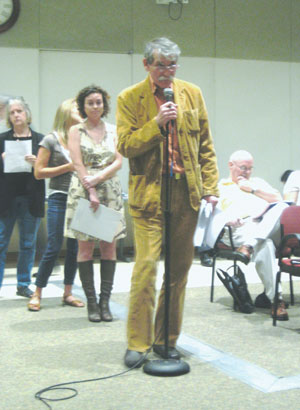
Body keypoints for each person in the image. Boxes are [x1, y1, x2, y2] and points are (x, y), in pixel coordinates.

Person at [116, 37, 219, 368]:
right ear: (146, 65)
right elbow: (126, 145)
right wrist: (156, 124)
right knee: (145, 269)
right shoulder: (130, 98)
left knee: (178, 272)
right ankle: (138, 341)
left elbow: (205, 144)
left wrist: (211, 187)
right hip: (149, 197)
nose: (167, 72)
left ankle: (166, 340)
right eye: (160, 65)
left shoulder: (192, 93)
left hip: (185, 194)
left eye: (172, 65)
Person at [64, 85, 126, 323]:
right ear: (83, 105)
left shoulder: (114, 130)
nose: (95, 106)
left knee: (109, 247)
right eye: (90, 102)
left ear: (104, 105)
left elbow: (118, 161)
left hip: (109, 188)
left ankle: (105, 302)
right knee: (86, 248)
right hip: (84, 189)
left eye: (98, 102)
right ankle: (91, 302)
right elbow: (77, 163)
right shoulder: (75, 131)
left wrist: (100, 179)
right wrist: (91, 190)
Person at [216, 150, 289, 320]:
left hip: (264, 225)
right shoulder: (221, 186)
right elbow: (213, 215)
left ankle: (249, 246)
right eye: (243, 168)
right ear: (230, 165)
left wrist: (253, 189)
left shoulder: (256, 183)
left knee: (282, 207)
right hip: (239, 229)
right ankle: (277, 301)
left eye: (250, 168)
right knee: (265, 245)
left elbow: (278, 198)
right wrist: (228, 220)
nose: (247, 172)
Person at [27, 98, 84, 311]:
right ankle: (37, 292)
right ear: (66, 112)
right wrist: (69, 166)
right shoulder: (51, 140)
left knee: (74, 248)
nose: (82, 111)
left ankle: (68, 293)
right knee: (53, 245)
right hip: (59, 197)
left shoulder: (81, 138)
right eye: (78, 108)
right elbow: (39, 172)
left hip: (79, 199)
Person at [0, 97, 45, 297]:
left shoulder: (40, 140)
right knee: (1, 242)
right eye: (12, 112)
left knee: (28, 243)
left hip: (31, 197)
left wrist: (38, 164)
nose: (16, 115)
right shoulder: (2, 140)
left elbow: (49, 170)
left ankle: (23, 284)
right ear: (9, 117)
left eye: (19, 111)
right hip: (5, 198)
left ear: (27, 114)